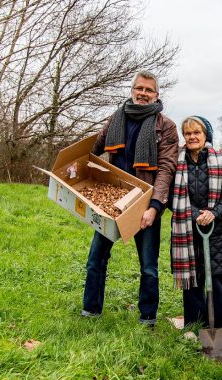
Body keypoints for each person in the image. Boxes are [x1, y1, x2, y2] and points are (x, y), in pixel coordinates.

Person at [81, 70, 179, 326]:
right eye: (139, 89)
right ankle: (90, 311)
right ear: (132, 90)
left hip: (144, 203)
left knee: (148, 266)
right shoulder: (116, 117)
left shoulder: (165, 126)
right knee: (96, 259)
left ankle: (147, 317)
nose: (143, 94)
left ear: (157, 95)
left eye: (149, 90)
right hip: (112, 201)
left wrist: (155, 206)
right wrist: (74, 165)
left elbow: (167, 168)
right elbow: (94, 148)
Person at [171, 116, 222, 335]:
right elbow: (173, 197)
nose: (192, 137)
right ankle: (195, 324)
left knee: (217, 278)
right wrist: (194, 215)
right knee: (192, 280)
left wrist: (214, 213)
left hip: (216, 231)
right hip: (188, 230)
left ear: (206, 135)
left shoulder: (221, 160)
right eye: (188, 133)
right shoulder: (177, 163)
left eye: (196, 132)